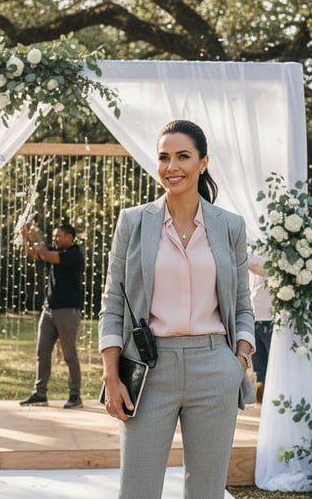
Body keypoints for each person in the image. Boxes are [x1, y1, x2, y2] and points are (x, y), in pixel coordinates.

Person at [99, 119, 256, 499]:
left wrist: (239, 358)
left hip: (214, 366)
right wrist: (111, 375)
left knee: (206, 491)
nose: (172, 167)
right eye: (164, 157)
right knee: (137, 490)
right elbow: (112, 303)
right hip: (148, 370)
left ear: (203, 163)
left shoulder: (230, 226)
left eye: (183, 156)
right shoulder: (133, 222)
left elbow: (241, 305)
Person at [19, 222, 86, 409]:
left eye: (59, 236)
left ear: (70, 238)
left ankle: (75, 396)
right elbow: (32, 253)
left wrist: (37, 238)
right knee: (42, 352)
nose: (55, 238)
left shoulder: (74, 255)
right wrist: (26, 237)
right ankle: (40, 394)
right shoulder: (54, 252)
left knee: (69, 355)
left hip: (68, 312)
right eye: (54, 235)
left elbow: (46, 254)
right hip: (48, 311)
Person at [246, 253, 274, 403]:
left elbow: (266, 270)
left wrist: (246, 261)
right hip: (254, 316)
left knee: (273, 364)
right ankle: (261, 400)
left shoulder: (276, 250)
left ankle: (273, 400)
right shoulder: (250, 249)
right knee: (259, 367)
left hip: (271, 318)